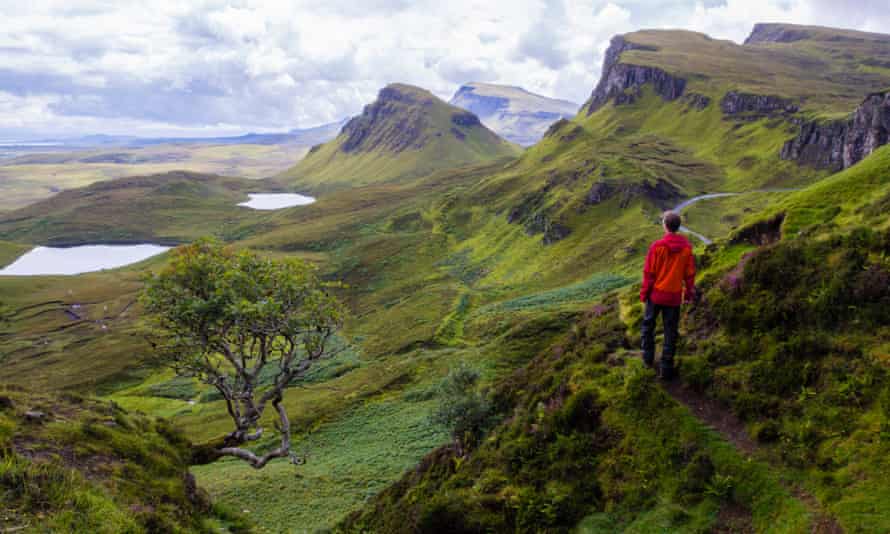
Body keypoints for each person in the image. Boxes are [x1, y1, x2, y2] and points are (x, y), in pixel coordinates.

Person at [639, 211, 696, 380]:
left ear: (665, 225)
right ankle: (666, 367)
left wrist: (644, 294)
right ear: (678, 226)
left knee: (647, 327)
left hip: (656, 296)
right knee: (670, 331)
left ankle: (647, 360)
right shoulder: (686, 248)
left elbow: (649, 273)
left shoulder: (657, 247)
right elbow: (690, 274)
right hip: (673, 297)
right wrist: (688, 294)